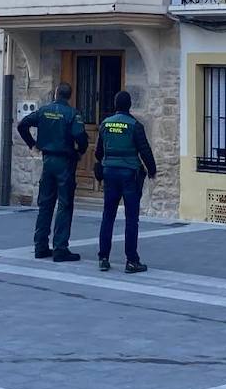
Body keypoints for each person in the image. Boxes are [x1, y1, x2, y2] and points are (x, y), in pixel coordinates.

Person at [17, 82, 89, 262]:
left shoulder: (43, 111)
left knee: (45, 204)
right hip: (65, 162)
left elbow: (22, 125)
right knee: (65, 205)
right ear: (69, 96)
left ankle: (40, 246)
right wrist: (80, 151)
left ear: (56, 93)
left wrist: (32, 144)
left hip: (47, 161)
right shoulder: (72, 114)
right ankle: (60, 248)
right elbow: (81, 137)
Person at [94, 90, 158, 274]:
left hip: (110, 173)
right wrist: (152, 170)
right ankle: (131, 260)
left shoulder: (105, 124)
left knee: (108, 216)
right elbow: (144, 149)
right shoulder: (134, 125)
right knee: (131, 219)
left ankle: (103, 258)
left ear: (115, 105)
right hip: (129, 174)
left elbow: (98, 153)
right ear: (129, 105)